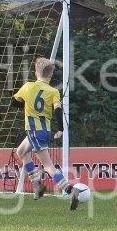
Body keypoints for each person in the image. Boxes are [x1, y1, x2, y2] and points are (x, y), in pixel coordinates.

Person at [12, 57, 78, 210]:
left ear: (36, 72)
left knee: (48, 165)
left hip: (34, 131)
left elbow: (14, 102)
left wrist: (26, 105)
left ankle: (70, 190)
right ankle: (38, 186)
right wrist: (60, 129)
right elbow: (58, 110)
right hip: (44, 131)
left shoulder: (28, 86)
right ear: (51, 74)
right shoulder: (53, 91)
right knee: (21, 151)